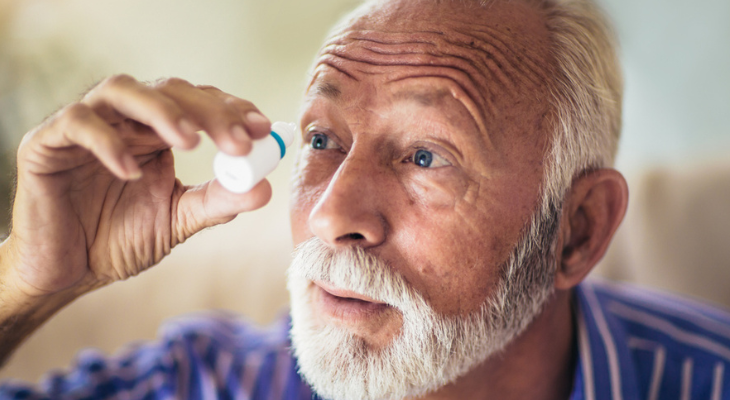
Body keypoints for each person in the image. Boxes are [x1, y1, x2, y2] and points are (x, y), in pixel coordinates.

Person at [1, 0, 729, 399]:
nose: (330, 215)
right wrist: (29, 279)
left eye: (424, 155)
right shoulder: (206, 382)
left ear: (577, 231)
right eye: (323, 140)